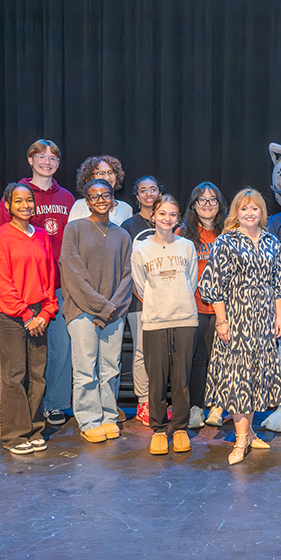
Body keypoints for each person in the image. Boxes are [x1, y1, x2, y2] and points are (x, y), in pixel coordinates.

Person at [199, 189, 281, 465]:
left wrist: (279, 316)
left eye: (255, 209)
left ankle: (248, 431)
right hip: (235, 320)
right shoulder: (225, 242)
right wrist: (222, 320)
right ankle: (240, 440)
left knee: (253, 379)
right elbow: (213, 285)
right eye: (244, 209)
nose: (250, 214)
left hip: (263, 322)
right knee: (238, 379)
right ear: (236, 213)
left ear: (261, 212)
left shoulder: (272, 242)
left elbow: (279, 283)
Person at [0, 139, 75, 427]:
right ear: (30, 160)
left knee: (58, 348)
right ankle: (20, 420)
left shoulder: (67, 198)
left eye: (52, 157)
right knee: (19, 363)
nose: (46, 161)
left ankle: (53, 404)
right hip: (21, 291)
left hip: (57, 286)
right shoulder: (16, 194)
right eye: (39, 156)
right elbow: (2, 241)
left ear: (58, 163)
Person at [59, 178, 134, 443]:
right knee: (85, 368)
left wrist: (111, 309)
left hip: (114, 313)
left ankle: (108, 416)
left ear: (113, 200)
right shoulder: (75, 229)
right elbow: (73, 273)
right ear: (86, 200)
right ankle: (89, 419)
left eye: (105, 195)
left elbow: (128, 275)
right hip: (82, 311)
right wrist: (100, 307)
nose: (100, 200)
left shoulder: (122, 234)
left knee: (110, 367)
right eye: (94, 196)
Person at [0, 182, 59, 454]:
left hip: (39, 315)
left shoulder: (41, 235)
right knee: (14, 376)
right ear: (8, 206)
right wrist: (27, 315)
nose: (25, 205)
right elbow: (2, 283)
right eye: (18, 201)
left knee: (37, 375)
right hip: (11, 317)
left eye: (29, 200)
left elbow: (49, 277)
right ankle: (15, 435)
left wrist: (47, 311)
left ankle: (34, 428)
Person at [132, 195, 199, 455]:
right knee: (157, 378)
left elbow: (191, 282)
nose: (167, 219)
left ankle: (180, 427)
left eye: (172, 214)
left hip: (184, 319)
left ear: (178, 217)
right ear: (153, 216)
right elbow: (140, 285)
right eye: (162, 214)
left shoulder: (186, 247)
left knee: (181, 378)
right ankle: (159, 429)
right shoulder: (141, 249)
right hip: (154, 322)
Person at [176, 182, 227, 429]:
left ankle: (218, 406)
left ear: (220, 205)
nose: (207, 205)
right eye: (202, 200)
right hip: (192, 308)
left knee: (221, 358)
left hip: (223, 309)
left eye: (212, 200)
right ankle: (196, 408)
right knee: (198, 360)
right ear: (194, 205)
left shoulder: (228, 233)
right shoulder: (182, 234)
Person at [121, 175, 162, 424]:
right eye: (143, 190)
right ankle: (144, 402)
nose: (149, 194)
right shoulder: (128, 225)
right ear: (136, 196)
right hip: (138, 299)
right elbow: (126, 265)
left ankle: (159, 400)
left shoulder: (168, 220)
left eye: (153, 189)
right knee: (142, 351)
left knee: (162, 353)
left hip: (166, 299)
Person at [68, 156, 134, 225]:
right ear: (90, 177)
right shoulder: (80, 206)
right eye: (101, 173)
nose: (107, 177)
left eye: (110, 173)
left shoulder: (126, 209)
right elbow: (71, 233)